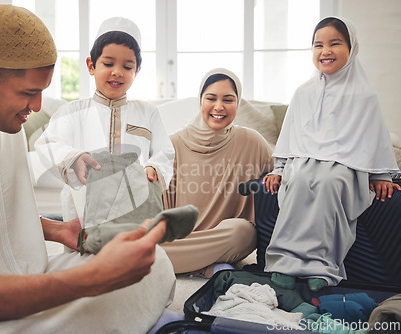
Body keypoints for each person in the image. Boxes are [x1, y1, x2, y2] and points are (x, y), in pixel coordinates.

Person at [0, 5, 176, 333]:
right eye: (29, 92)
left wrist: (56, 230)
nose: (38, 107)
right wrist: (90, 280)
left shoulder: (7, 131)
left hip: (28, 278)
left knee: (155, 264)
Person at [263, 17, 400, 292]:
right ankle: (285, 261)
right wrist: (279, 170)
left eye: (334, 43)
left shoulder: (364, 96)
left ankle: (320, 265)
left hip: (346, 166)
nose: (325, 51)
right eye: (318, 45)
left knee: (329, 183)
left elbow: (374, 138)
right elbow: (289, 137)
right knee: (299, 182)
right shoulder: (303, 93)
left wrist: (381, 174)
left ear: (352, 49)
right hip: (304, 161)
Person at [35, 17, 175, 223]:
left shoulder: (149, 113)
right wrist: (72, 157)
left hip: (135, 207)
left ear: (137, 71)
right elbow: (48, 143)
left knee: (139, 251)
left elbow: (165, 153)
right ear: (91, 65)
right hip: (83, 211)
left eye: (127, 67)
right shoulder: (72, 112)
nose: (117, 72)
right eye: (108, 63)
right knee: (86, 253)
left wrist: (153, 168)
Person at [160, 68, 274, 276]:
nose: (219, 107)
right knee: (145, 238)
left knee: (244, 233)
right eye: (211, 98)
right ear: (200, 100)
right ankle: (205, 267)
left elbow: (280, 179)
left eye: (228, 100)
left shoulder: (253, 142)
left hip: (226, 239)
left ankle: (162, 262)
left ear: (238, 103)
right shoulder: (173, 144)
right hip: (178, 237)